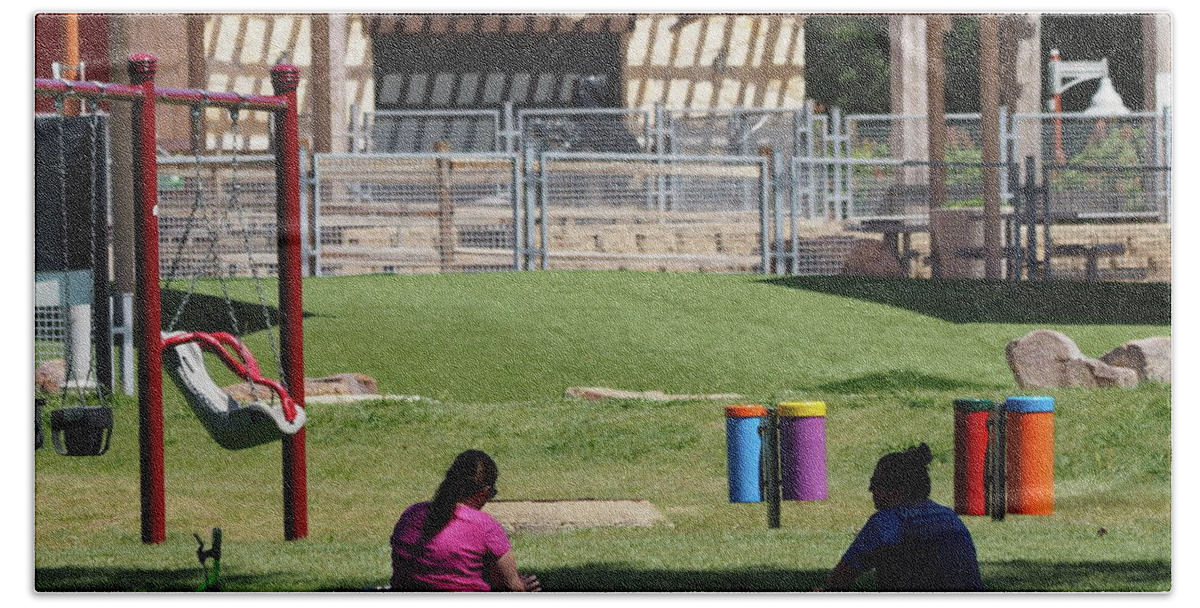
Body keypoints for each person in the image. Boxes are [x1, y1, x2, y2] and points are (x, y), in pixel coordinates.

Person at [821, 443, 983, 592]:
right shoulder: (949, 516)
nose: (871, 490)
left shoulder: (886, 522)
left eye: (875, 483)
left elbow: (840, 578)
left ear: (896, 490)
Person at [390, 449, 541, 592]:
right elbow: (510, 585)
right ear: (484, 492)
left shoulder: (412, 514)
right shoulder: (485, 527)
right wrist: (524, 585)